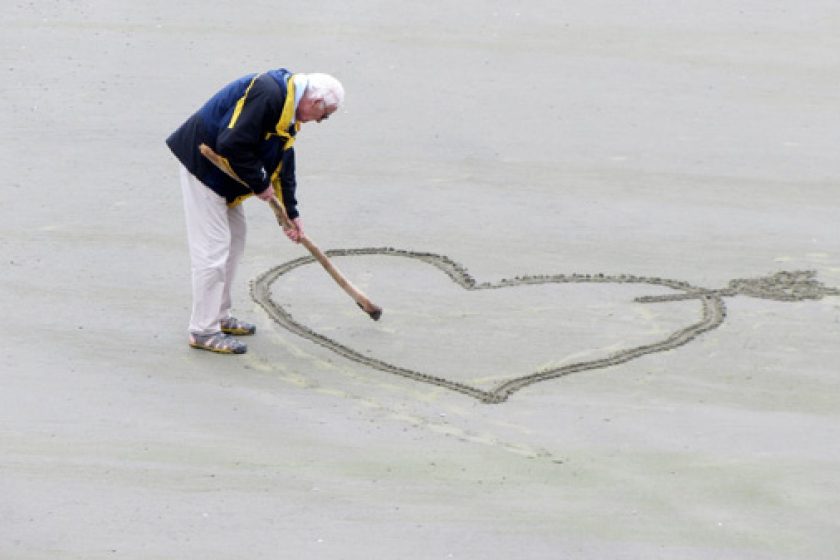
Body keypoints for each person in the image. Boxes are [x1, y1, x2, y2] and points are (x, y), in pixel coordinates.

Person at [166, 69, 344, 354]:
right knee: (213, 250)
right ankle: (202, 330)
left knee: (235, 241)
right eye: (325, 115)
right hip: (203, 167)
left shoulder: (289, 110)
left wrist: (291, 213)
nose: (321, 121)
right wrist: (260, 184)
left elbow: (283, 160)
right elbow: (230, 143)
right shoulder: (269, 94)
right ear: (316, 101)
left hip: (226, 177)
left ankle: (219, 316)